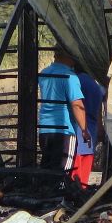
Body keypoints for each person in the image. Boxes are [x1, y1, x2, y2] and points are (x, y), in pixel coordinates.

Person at [38, 46, 89, 175]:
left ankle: (46, 193)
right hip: (64, 130)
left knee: (47, 169)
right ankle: (59, 193)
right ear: (68, 56)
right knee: (63, 171)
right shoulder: (70, 77)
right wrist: (84, 130)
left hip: (44, 129)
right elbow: (77, 104)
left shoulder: (44, 73)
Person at [72, 66, 107, 189]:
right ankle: (82, 189)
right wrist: (100, 126)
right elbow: (99, 110)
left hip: (79, 127)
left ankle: (74, 189)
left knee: (75, 162)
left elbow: (76, 105)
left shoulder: (76, 80)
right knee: (86, 161)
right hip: (91, 129)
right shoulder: (95, 84)